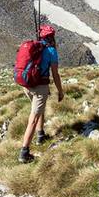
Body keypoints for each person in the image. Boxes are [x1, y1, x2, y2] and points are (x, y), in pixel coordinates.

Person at [19, 24, 64, 163]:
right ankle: (24, 152)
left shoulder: (33, 47)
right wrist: (60, 91)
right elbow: (55, 74)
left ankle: (40, 135)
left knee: (39, 110)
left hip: (27, 85)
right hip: (40, 87)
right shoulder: (51, 51)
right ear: (52, 37)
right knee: (33, 118)